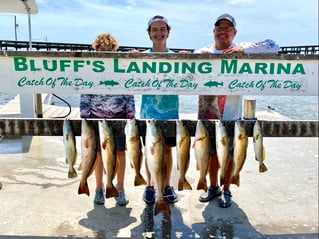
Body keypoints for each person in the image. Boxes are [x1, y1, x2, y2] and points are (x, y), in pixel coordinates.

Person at [195, 14, 280, 208]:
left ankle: (227, 189)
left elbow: (274, 45)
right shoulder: (203, 51)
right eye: (219, 28)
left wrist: (245, 50)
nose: (222, 31)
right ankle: (213, 186)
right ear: (213, 31)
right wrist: (194, 57)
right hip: (208, 114)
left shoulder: (242, 49)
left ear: (234, 32)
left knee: (230, 155)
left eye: (227, 28)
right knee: (212, 154)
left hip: (232, 114)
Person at [80, 33, 135, 206]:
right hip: (96, 117)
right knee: (97, 154)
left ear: (114, 51)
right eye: (102, 50)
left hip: (119, 118)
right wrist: (85, 115)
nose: (105, 53)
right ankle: (98, 188)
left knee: (120, 153)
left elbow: (129, 93)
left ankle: (120, 188)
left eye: (109, 50)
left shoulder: (121, 70)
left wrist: (130, 114)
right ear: (96, 51)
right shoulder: (90, 71)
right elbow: (85, 93)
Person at [140, 15, 178, 204]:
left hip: (171, 112)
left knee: (168, 151)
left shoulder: (176, 58)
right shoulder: (141, 57)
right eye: (154, 29)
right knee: (151, 151)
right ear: (149, 33)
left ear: (168, 32)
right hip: (149, 112)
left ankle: (167, 185)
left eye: (162, 29)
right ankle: (150, 185)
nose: (159, 33)